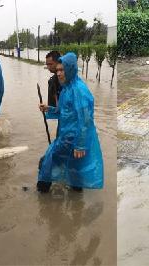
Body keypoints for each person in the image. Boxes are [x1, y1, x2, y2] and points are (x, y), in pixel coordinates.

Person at [37, 52, 104, 193]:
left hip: (72, 140)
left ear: (70, 70)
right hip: (66, 137)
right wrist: (49, 109)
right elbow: (64, 112)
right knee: (74, 168)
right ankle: (76, 204)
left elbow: (86, 120)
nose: (59, 73)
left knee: (47, 163)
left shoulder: (79, 90)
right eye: (58, 70)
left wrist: (80, 145)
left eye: (62, 70)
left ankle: (41, 198)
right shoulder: (67, 88)